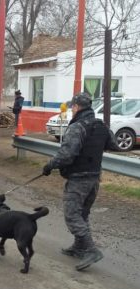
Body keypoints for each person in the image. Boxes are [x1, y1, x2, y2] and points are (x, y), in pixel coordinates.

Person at [41, 92, 119, 271]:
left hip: (79, 179)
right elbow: (113, 144)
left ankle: (91, 250)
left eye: (72, 107)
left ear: (76, 107)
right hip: (94, 178)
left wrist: (49, 165)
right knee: (82, 213)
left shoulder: (78, 126)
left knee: (72, 215)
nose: (71, 109)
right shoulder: (101, 125)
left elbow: (67, 155)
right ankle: (79, 246)